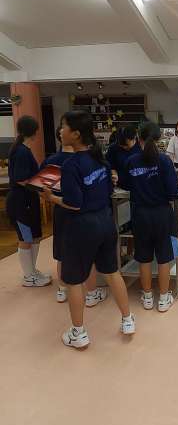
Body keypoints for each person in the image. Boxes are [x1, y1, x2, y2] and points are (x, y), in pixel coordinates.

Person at [41, 111, 135, 349]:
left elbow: (74, 203)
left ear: (75, 134)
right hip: (105, 221)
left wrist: (52, 198)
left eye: (63, 127)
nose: (60, 131)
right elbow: (107, 190)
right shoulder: (100, 159)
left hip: (82, 226)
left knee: (73, 281)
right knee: (112, 272)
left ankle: (78, 333)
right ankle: (127, 320)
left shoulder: (71, 165)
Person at [40, 126, 107, 307]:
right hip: (83, 213)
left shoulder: (51, 161)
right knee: (88, 255)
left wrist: (51, 197)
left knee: (62, 252)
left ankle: (62, 290)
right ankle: (91, 293)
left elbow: (40, 186)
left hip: (61, 212)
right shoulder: (87, 161)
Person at [125, 122, 178, 313]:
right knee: (164, 257)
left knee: (144, 257)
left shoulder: (131, 161)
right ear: (159, 139)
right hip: (161, 214)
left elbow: (127, 185)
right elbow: (173, 193)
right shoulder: (164, 161)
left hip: (140, 215)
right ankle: (164, 298)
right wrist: (177, 184)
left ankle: (147, 296)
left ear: (138, 138)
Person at [6, 115, 51, 287]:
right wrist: (41, 185)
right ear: (34, 132)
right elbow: (20, 179)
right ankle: (28, 276)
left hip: (29, 200)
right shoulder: (21, 151)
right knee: (26, 238)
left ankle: (32, 270)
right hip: (20, 201)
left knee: (35, 236)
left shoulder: (23, 149)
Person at [105, 125, 141, 189]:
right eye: (122, 146)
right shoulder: (113, 148)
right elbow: (110, 165)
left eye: (127, 145)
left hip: (139, 186)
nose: (124, 147)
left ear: (134, 137)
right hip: (120, 186)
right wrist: (114, 174)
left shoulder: (141, 147)